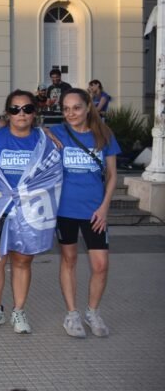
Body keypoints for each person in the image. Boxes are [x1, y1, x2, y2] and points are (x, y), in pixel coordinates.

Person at [0, 90, 62, 334]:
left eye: (27, 109)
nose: (21, 114)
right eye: (15, 109)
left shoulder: (44, 140)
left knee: (22, 260)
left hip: (31, 210)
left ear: (35, 112)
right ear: (7, 113)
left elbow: (54, 174)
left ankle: (18, 310)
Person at [52, 88, 119, 338]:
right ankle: (72, 314)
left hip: (95, 211)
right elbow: (32, 132)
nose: (71, 113)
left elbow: (112, 175)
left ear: (88, 107)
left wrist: (105, 207)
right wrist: (46, 131)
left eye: (76, 107)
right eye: (66, 109)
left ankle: (93, 311)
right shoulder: (57, 132)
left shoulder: (104, 134)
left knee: (101, 265)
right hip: (65, 210)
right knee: (69, 260)